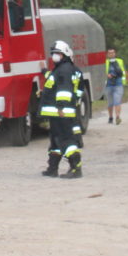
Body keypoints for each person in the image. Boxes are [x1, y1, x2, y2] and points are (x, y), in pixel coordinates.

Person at [40, 40, 85, 179]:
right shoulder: (61, 69)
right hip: (57, 113)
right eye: (53, 53)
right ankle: (52, 168)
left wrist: (61, 106)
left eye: (57, 53)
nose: (55, 56)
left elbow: (64, 90)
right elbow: (54, 81)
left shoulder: (64, 69)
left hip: (61, 112)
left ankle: (76, 168)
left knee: (66, 140)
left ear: (64, 54)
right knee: (55, 141)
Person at [104, 48, 128, 124]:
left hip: (118, 84)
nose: (111, 54)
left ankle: (118, 116)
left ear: (115, 54)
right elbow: (102, 72)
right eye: (109, 53)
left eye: (112, 53)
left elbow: (125, 71)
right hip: (108, 85)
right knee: (110, 103)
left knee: (117, 101)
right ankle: (110, 117)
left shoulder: (120, 61)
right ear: (107, 54)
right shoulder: (105, 62)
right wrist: (107, 75)